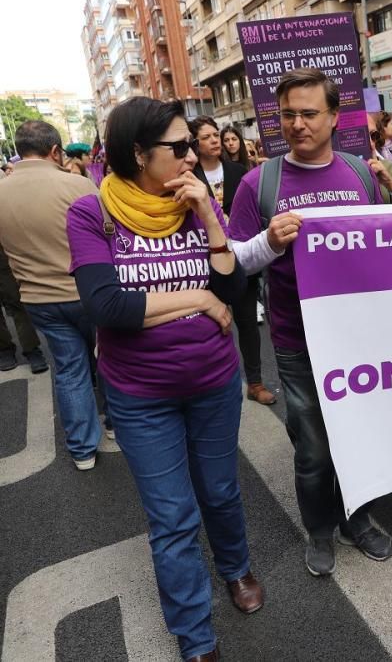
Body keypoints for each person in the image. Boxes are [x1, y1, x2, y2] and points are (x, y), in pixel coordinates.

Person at [66, 96, 259, 661]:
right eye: (178, 149)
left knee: (221, 492)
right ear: (137, 153)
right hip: (141, 395)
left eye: (193, 147)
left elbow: (233, 293)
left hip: (215, 380)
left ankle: (236, 567)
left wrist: (208, 219)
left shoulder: (196, 202)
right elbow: (108, 308)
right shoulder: (92, 213)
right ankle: (196, 636)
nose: (192, 158)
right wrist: (195, 297)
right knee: (172, 517)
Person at [228, 68, 392, 575]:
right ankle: (320, 529)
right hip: (296, 341)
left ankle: (358, 519)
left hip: (360, 340)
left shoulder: (360, 174)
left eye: (308, 113)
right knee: (314, 448)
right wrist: (270, 243)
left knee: (360, 436)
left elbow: (388, 241)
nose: (297, 124)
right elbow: (233, 262)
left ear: (334, 117)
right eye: (287, 115)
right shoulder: (259, 183)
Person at [0, 121, 105, 471]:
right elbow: (107, 231)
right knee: (107, 359)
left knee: (69, 369)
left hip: (37, 299)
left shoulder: (2, 191)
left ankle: (82, 450)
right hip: (87, 292)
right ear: (55, 151)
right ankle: (115, 422)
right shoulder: (76, 184)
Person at [190, 116, 276, 407]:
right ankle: (210, 385)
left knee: (248, 323)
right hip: (205, 261)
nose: (215, 141)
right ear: (194, 143)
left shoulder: (238, 171)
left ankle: (255, 382)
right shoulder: (189, 175)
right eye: (208, 137)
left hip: (240, 256)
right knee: (211, 323)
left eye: (217, 135)